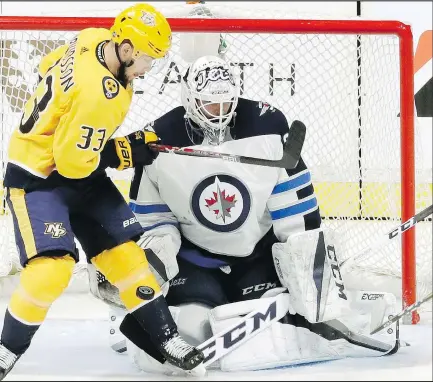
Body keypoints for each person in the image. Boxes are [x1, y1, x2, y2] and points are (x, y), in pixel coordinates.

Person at [90, 55, 400, 375]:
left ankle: (328, 316)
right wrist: (149, 269)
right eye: (210, 105)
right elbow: (153, 223)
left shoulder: (268, 129)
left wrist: (313, 284)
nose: (220, 114)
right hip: (195, 262)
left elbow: (297, 216)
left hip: (256, 257)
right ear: (189, 98)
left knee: (290, 316)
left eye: (226, 104)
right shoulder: (156, 142)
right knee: (195, 329)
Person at [0, 4, 206, 380]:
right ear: (129, 48)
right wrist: (122, 151)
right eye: (148, 56)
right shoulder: (100, 95)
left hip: (74, 164)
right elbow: (71, 164)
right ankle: (8, 347)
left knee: (127, 257)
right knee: (51, 270)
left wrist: (83, 132)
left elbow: (47, 67)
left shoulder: (95, 37)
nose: (149, 66)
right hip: (37, 174)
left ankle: (166, 337)